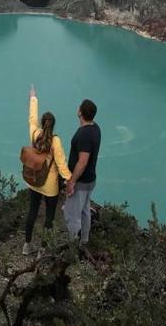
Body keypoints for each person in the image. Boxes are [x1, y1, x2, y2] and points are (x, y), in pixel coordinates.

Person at [23, 84, 72, 255]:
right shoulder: (55, 141)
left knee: (32, 212)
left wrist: (33, 98)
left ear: (43, 124)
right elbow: (61, 164)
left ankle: (27, 245)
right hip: (50, 185)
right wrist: (70, 180)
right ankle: (42, 249)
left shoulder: (35, 134)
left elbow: (31, 119)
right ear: (53, 125)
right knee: (49, 216)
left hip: (35, 181)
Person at [63, 98, 101, 247]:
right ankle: (84, 241)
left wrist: (72, 182)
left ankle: (72, 247)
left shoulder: (84, 134)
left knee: (72, 214)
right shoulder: (95, 128)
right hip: (90, 180)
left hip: (81, 181)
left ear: (80, 112)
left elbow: (82, 161)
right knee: (85, 210)